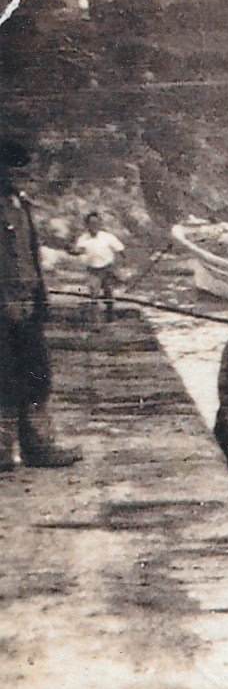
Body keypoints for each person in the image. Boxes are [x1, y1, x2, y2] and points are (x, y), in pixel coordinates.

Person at [0, 135, 78, 470]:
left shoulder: (21, 205)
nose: (23, 179)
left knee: (37, 374)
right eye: (16, 173)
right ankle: (3, 451)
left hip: (27, 303)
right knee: (3, 377)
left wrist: (41, 297)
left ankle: (38, 446)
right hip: (4, 307)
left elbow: (31, 256)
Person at [72, 210, 125, 325]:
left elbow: (120, 250)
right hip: (93, 270)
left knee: (108, 293)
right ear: (87, 225)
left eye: (96, 223)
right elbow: (79, 251)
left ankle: (110, 314)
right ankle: (96, 321)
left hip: (107, 268)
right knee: (94, 294)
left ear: (100, 224)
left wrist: (121, 266)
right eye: (91, 223)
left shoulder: (108, 237)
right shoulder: (83, 239)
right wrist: (73, 252)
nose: (94, 225)